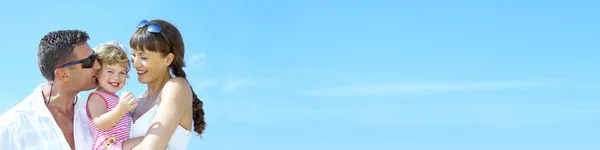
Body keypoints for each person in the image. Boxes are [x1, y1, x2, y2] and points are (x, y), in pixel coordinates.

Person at [0, 30, 99, 150]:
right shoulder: (11, 128)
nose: (98, 65)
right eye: (89, 61)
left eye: (95, 57)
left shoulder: (98, 115)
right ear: (63, 74)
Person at [127, 19, 206, 150]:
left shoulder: (176, 87)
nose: (135, 63)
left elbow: (151, 147)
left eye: (144, 57)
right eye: (133, 55)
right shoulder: (139, 100)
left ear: (168, 59)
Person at [86, 41, 143, 150]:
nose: (116, 77)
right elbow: (100, 123)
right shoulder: (97, 97)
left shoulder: (116, 99)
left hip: (120, 144)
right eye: (110, 72)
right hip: (108, 145)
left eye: (122, 73)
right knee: (149, 140)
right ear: (97, 73)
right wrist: (121, 109)